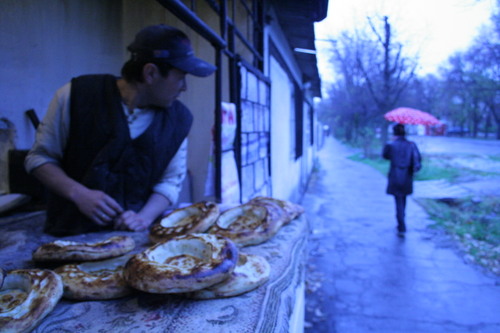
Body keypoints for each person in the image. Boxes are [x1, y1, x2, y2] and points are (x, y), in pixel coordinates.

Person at [25, 24, 216, 236]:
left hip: (133, 240)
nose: (184, 87)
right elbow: (39, 158)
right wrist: (78, 193)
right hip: (67, 236)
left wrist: (144, 217)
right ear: (150, 73)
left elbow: (170, 181)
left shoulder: (179, 120)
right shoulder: (76, 95)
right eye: (180, 77)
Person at [382, 124, 422, 234]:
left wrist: (390, 143)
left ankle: (401, 224)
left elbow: (385, 156)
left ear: (394, 133)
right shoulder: (411, 145)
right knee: (403, 200)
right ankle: (402, 221)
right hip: (407, 177)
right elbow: (418, 161)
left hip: (395, 176)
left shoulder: (391, 145)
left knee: (397, 200)